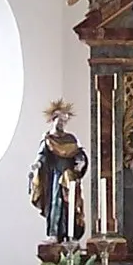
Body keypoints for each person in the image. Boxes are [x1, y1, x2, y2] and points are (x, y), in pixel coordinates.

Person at [28, 102, 90, 240]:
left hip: (69, 177)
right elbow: (42, 156)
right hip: (54, 177)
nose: (62, 123)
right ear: (53, 119)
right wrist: (37, 165)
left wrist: (80, 163)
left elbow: (78, 154)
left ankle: (70, 234)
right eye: (60, 120)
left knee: (70, 205)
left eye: (64, 121)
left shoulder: (70, 139)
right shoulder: (48, 139)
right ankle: (54, 233)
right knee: (56, 204)